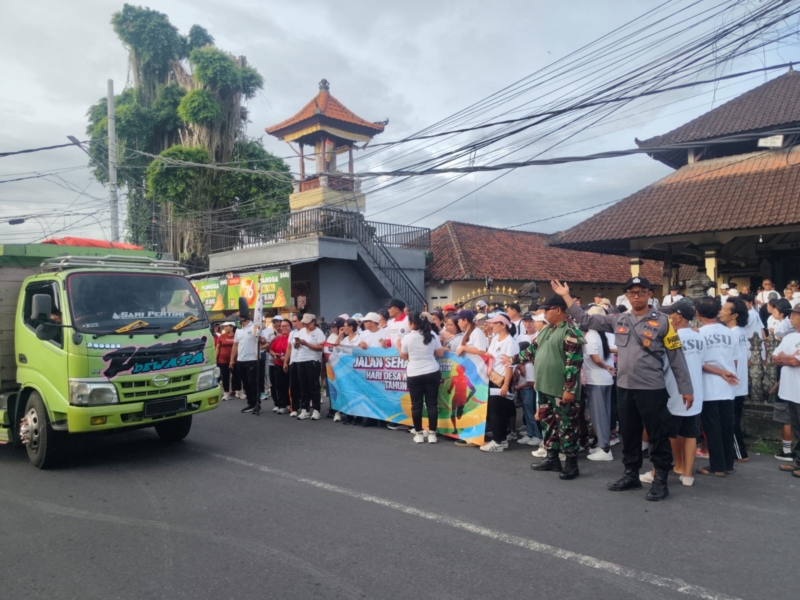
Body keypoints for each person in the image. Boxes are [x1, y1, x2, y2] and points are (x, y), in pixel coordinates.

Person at [553, 277, 693, 501]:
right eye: (631, 292)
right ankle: (631, 474)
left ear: (649, 294)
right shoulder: (618, 319)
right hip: (625, 388)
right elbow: (584, 318)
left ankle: (660, 480)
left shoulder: (664, 322)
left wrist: (686, 388)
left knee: (658, 435)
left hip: (652, 389)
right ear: (626, 296)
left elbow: (677, 358)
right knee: (629, 433)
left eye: (640, 292)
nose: (636, 296)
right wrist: (565, 296)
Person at [511, 294, 584, 479]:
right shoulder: (546, 330)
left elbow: (573, 363)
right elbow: (532, 350)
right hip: (544, 387)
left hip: (561, 390)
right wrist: (513, 360)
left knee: (567, 427)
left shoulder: (571, 332)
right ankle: (552, 458)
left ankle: (571, 464)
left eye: (546, 310)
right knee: (548, 424)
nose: (543, 313)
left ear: (558, 310)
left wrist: (569, 389)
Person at [659, 300, 705, 487]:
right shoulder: (699, 337)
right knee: (691, 433)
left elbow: (663, 366)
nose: (668, 318)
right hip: (696, 391)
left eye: (670, 315)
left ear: (678, 316)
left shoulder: (672, 337)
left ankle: (678, 465)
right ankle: (687, 474)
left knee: (671, 432)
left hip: (674, 390)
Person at [696, 297, 739, 477]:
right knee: (727, 427)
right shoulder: (730, 333)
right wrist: (725, 372)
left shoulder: (699, 334)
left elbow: (699, 362)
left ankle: (717, 466)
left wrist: (718, 372)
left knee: (712, 428)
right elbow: (734, 361)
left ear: (698, 314)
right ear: (718, 312)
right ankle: (728, 464)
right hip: (728, 386)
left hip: (709, 386)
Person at [397, 311, 445, 444]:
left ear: (412, 323)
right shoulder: (432, 335)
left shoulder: (407, 338)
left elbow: (405, 356)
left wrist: (398, 347)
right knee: (432, 404)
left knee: (416, 405)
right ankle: (432, 433)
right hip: (432, 371)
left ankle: (418, 433)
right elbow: (440, 353)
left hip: (414, 374)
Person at [477, 313, 518, 453]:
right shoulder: (495, 339)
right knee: (498, 411)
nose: (491, 325)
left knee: (494, 411)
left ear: (503, 325)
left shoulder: (510, 342)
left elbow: (510, 366)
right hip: (492, 378)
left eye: (494, 323)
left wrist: (506, 384)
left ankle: (497, 441)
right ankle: (502, 439)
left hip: (501, 380)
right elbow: (490, 355)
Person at [582, 306, 616, 462]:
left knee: (598, 415)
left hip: (596, 379)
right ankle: (604, 444)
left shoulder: (591, 335)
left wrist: (605, 366)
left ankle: (604, 448)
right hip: (606, 378)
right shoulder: (605, 334)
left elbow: (595, 358)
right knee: (605, 413)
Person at [772, 304, 800, 477]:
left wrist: (787, 358)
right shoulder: (790, 337)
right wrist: (788, 357)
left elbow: (794, 362)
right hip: (790, 390)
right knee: (796, 427)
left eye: (795, 314)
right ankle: (797, 461)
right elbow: (776, 358)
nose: (792, 317)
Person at [725, 298, 751, 463]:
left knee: (731, 422)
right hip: (740, 383)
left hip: (733, 384)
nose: (721, 311)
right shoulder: (742, 332)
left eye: (725, 309)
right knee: (734, 419)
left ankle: (740, 453)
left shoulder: (732, 334)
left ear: (734, 315)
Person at [293, 314, 326, 421]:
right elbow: (295, 346)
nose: (306, 325)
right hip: (300, 359)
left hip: (313, 360)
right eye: (304, 323)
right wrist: (297, 343)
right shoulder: (301, 331)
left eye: (308, 323)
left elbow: (320, 348)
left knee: (314, 386)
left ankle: (316, 409)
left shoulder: (318, 332)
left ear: (313, 321)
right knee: (303, 386)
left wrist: (306, 343)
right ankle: (304, 409)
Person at [230, 311, 263, 414]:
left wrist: (263, 341)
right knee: (245, 383)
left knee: (253, 383)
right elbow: (235, 345)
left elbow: (262, 340)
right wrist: (232, 359)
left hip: (252, 359)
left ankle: (257, 404)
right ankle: (251, 403)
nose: (236, 319)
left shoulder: (254, 327)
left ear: (243, 317)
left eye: (238, 317)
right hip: (241, 360)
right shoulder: (238, 330)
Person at [515, 340, 542, 447]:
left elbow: (531, 382)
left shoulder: (529, 366)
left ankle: (537, 435)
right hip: (524, 391)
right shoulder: (523, 365)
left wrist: (519, 386)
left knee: (531, 414)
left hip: (528, 391)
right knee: (526, 414)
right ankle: (530, 434)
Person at [323, 317, 345, 419]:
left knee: (341, 388)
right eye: (331, 326)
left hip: (341, 367)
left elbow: (337, 346)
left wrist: (340, 335)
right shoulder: (331, 336)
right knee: (332, 388)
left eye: (334, 327)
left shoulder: (345, 337)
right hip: (330, 366)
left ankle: (341, 409)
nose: (332, 329)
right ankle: (333, 407)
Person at [283, 314, 304, 417]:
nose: (293, 323)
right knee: (293, 386)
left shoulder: (305, 332)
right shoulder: (292, 333)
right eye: (293, 321)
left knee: (303, 386)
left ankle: (305, 407)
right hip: (293, 361)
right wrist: (286, 361)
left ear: (301, 321)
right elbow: (289, 348)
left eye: (295, 321)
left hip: (303, 361)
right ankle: (294, 407)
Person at [269, 320, 292, 414]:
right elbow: (271, 350)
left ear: (290, 327)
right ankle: (282, 404)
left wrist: (286, 358)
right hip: (278, 364)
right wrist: (274, 355)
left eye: (286, 326)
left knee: (290, 385)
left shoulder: (293, 337)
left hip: (290, 364)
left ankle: (292, 404)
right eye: (282, 326)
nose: (284, 328)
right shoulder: (278, 338)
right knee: (279, 385)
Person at [215, 322, 240, 401]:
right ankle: (226, 392)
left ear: (232, 327)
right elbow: (218, 348)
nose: (225, 328)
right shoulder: (221, 336)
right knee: (225, 376)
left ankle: (238, 391)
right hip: (223, 360)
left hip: (235, 359)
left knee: (236, 375)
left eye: (226, 326)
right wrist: (215, 359)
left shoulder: (236, 336)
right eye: (224, 327)